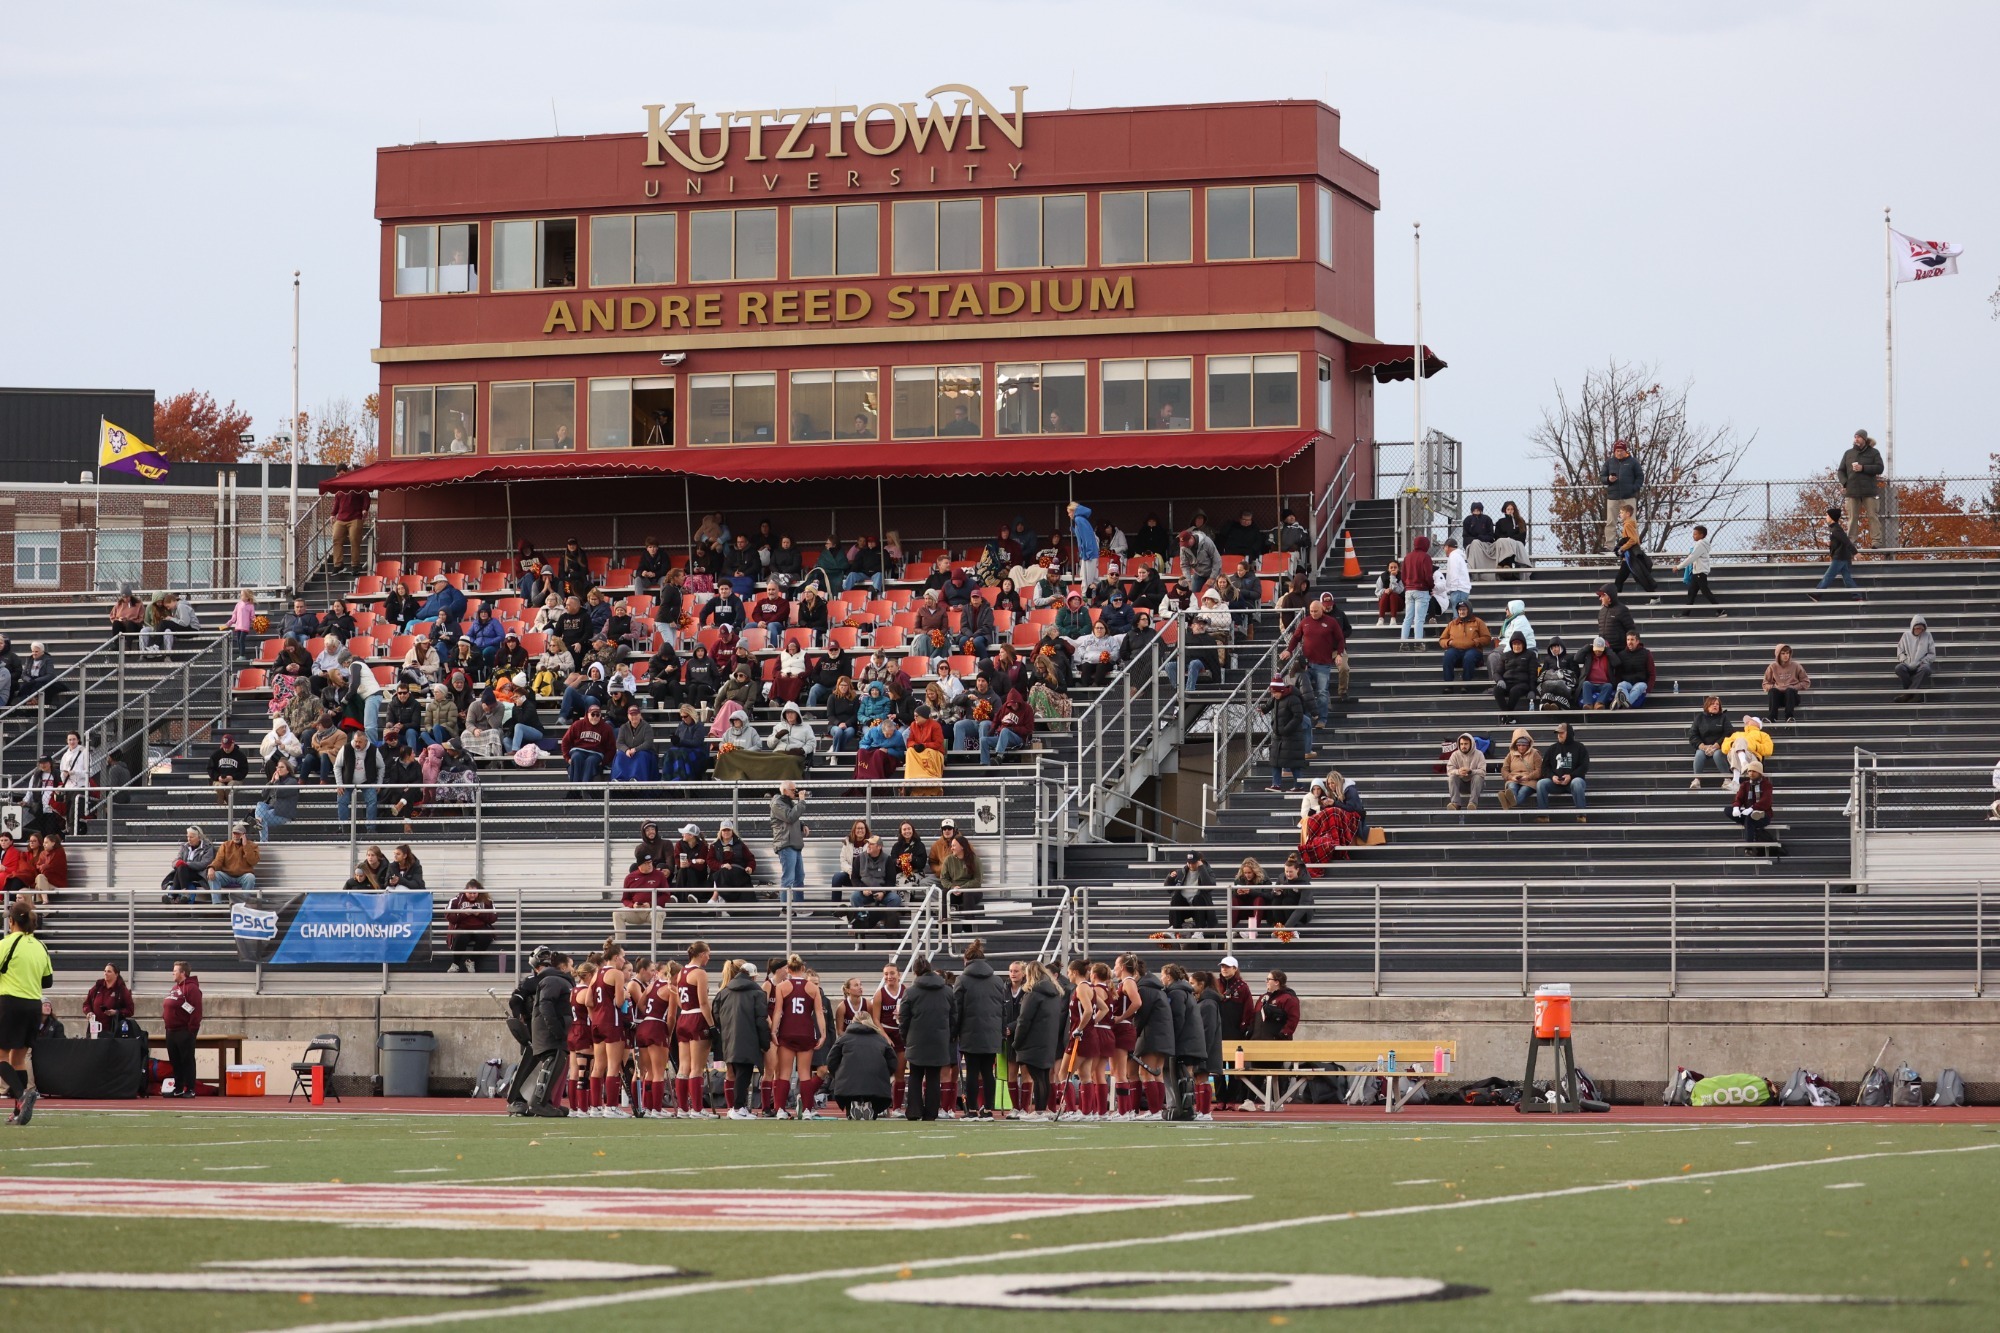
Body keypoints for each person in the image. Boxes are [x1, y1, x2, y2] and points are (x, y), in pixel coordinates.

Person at [1, 901, 52, 1123]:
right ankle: (17, 1110)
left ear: (11, 921)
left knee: (1, 1055)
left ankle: (22, 1095)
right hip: (34, 1005)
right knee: (18, 1059)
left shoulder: (6, 944)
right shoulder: (40, 946)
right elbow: (48, 981)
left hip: (10, 1003)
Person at [950, 940, 1007, 1119]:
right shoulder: (997, 980)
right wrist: (1001, 1030)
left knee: (973, 1071)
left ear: (967, 960)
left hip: (970, 1032)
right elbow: (1003, 1009)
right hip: (992, 1032)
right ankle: (988, 1109)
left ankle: (973, 1109)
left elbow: (956, 1010)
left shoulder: (962, 980)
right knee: (988, 1072)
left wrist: (954, 1033)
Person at [766, 954, 825, 1119]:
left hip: (787, 1031)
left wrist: (773, 1031)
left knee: (783, 1072)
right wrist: (823, 1034)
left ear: (789, 969)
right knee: (805, 1073)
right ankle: (807, 1110)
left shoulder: (782, 987)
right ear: (803, 969)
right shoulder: (813, 988)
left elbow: (777, 1012)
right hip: (806, 1032)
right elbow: (819, 1013)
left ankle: (780, 1110)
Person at [896, 954, 953, 1122]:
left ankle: (914, 1110)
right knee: (934, 1077)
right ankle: (931, 1113)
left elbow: (904, 1019)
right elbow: (953, 1016)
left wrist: (906, 1037)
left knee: (915, 1075)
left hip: (916, 1039)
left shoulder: (911, 992)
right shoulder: (947, 991)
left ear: (915, 972)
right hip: (939, 1039)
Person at [1011, 961, 1065, 1118]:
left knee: (1037, 1076)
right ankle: (1042, 1109)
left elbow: (1024, 1020)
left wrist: (1017, 1042)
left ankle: (1039, 1110)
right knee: (1043, 1076)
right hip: (1048, 1039)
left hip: (1033, 1041)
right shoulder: (1055, 993)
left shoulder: (1033, 994)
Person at [826, 1010, 896, 1120]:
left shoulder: (843, 1039)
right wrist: (885, 1075)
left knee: (849, 1089)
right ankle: (871, 1106)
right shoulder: (881, 1039)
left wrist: (838, 1075)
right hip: (876, 1084)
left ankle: (852, 1106)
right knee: (875, 1093)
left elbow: (831, 1060)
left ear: (853, 1022)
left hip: (847, 1084)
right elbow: (893, 1062)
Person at [673, 941, 716, 1118]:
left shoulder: (682, 971)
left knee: (683, 1066)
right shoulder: (699, 973)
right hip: (697, 1017)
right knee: (697, 1067)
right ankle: (697, 1109)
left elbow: (680, 1001)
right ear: (700, 954)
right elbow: (704, 1002)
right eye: (707, 953)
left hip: (683, 1017)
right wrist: (712, 1025)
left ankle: (683, 1108)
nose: (709, 957)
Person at [161, 959, 203, 1097]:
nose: (172, 973)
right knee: (175, 1060)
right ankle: (178, 1088)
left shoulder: (192, 989)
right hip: (171, 1030)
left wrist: (191, 1029)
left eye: (175, 971)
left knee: (187, 1060)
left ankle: (190, 1088)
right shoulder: (175, 988)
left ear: (183, 973)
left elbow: (196, 1010)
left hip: (184, 1031)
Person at [1839, 428, 1885, 546]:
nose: (1856, 439)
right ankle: (1851, 542)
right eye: (1855, 437)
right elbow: (1841, 471)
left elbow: (1880, 468)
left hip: (1869, 491)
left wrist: (1863, 468)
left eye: (1858, 437)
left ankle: (1876, 541)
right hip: (1852, 491)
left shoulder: (1874, 453)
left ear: (1864, 439)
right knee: (1852, 518)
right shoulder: (1848, 453)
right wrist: (1845, 483)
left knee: (1872, 516)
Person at [1259, 678, 1306, 793]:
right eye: (1272, 693)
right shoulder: (1276, 698)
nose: (1274, 695)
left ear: (1281, 690)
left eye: (1275, 692)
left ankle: (1299, 786)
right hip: (1278, 735)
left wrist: (1286, 729)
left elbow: (1298, 716)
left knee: (1294, 762)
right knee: (1275, 760)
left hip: (1292, 736)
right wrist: (1264, 709)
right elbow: (1270, 703)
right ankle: (1276, 784)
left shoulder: (1293, 699)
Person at [1728, 757, 1781, 859]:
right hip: (1748, 812)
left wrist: (1752, 808)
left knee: (1750, 818)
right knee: (1728, 810)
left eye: (1754, 771)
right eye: (1749, 771)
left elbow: (1766, 801)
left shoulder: (1766, 785)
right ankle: (1749, 820)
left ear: (1760, 773)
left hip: (1763, 814)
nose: (1751, 773)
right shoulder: (1745, 785)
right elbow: (1738, 798)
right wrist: (1736, 807)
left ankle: (1749, 848)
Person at [1536, 720, 1589, 820]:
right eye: (1558, 733)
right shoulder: (1552, 749)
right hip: (1556, 783)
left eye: (1562, 733)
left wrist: (1571, 776)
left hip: (1573, 781)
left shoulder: (1580, 747)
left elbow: (1584, 766)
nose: (1559, 735)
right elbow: (1544, 767)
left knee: (1577, 782)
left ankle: (1581, 816)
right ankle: (1543, 816)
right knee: (1541, 784)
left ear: (1568, 733)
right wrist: (1552, 776)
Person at [769, 782, 808, 908]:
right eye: (793, 790)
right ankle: (785, 910)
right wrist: (801, 802)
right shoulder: (777, 803)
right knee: (788, 879)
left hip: (794, 844)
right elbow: (790, 817)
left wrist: (802, 825)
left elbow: (793, 817)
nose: (795, 792)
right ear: (785, 791)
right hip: (786, 844)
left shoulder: (787, 802)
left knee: (799, 877)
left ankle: (799, 907)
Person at [1162, 852, 1218, 940]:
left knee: (1198, 898)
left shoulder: (1206, 871)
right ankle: (1174, 929)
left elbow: (1209, 886)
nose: (1191, 865)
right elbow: (1169, 889)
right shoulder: (1182, 872)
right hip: (1185, 907)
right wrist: (1170, 878)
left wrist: (1201, 868)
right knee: (1176, 897)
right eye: (1189, 862)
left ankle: (1199, 931)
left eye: (1193, 862)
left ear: (1199, 861)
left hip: (1200, 907)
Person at [1600, 437, 1644, 551]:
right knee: (1611, 522)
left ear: (1625, 451)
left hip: (1628, 497)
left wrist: (1633, 488)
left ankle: (1632, 545)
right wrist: (1609, 479)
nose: (1619, 453)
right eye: (1617, 451)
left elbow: (1640, 476)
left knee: (1630, 522)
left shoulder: (1633, 462)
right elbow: (1602, 477)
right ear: (1614, 451)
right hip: (1613, 497)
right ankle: (1609, 546)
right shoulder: (1609, 462)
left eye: (1621, 451)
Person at [1810, 508, 1862, 601]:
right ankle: (1857, 595)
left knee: (1828, 576)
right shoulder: (1835, 529)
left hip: (1840, 557)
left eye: (1827, 515)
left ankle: (1817, 593)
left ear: (1831, 517)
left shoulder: (1836, 529)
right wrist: (1831, 544)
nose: (1826, 517)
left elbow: (1846, 541)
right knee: (1847, 578)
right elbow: (1840, 542)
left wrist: (1855, 552)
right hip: (1844, 557)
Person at [445, 880, 496, 973]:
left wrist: (480, 914)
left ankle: (471, 961)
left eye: (474, 893)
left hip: (480, 927)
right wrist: (463, 913)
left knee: (486, 937)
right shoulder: (456, 900)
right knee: (461, 937)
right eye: (470, 893)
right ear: (465, 891)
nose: (472, 895)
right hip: (463, 927)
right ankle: (455, 964)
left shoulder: (487, 901)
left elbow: (493, 917)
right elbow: (449, 916)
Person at [560, 704, 616, 785]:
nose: (595, 717)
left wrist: (603, 762)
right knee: (576, 757)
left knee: (591, 760)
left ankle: (585, 788)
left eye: (597, 715)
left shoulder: (606, 728)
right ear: (587, 714)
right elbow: (565, 741)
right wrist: (567, 758)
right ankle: (575, 790)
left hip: (596, 753)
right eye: (593, 714)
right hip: (579, 750)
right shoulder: (577, 724)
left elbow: (612, 748)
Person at [1676, 524, 1723, 615]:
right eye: (1693, 534)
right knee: (1691, 593)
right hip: (1697, 572)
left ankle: (1721, 610)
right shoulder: (1702, 544)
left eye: (1695, 534)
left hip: (1699, 573)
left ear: (1701, 535)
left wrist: (1678, 567)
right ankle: (1685, 613)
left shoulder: (1700, 544)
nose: (1693, 536)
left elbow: (1691, 557)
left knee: (1706, 592)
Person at [1612, 503, 1657, 595]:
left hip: (1630, 557)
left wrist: (1622, 548)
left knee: (1624, 578)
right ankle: (1654, 596)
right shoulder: (1630, 524)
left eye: (1621, 512)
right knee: (1624, 578)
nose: (1620, 514)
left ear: (1627, 514)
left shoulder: (1628, 525)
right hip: (1628, 557)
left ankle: (1654, 597)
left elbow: (1633, 540)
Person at [1438, 602, 1490, 682]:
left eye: (1464, 609)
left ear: (1469, 610)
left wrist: (1475, 642)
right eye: (1459, 610)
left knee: (1469, 656)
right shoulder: (1452, 624)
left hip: (1473, 650)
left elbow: (1487, 638)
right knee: (1448, 656)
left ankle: (1466, 683)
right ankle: (1448, 684)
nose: (1461, 612)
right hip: (1456, 650)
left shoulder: (1478, 622)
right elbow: (1442, 640)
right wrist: (1449, 642)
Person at [162, 827, 216, 904]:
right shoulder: (184, 846)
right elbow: (175, 861)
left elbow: (205, 863)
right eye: (187, 836)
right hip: (183, 872)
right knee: (181, 867)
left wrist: (187, 864)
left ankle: (172, 896)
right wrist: (178, 863)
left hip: (198, 873)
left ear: (199, 837)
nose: (189, 839)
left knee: (182, 867)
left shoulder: (207, 847)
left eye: (191, 837)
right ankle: (184, 893)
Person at [1722, 715, 1774, 794]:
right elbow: (1724, 747)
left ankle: (1736, 781)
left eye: (1750, 720)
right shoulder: (1737, 734)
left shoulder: (1763, 735)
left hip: (1752, 757)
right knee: (1735, 747)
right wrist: (1733, 743)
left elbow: (1768, 750)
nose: (1747, 722)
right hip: (1735, 755)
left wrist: (1755, 746)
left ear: (1757, 723)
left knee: (1736, 747)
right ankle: (1743, 764)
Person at [1398, 535, 1434, 648]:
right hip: (1421, 590)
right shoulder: (1426, 557)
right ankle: (1418, 642)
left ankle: (1403, 643)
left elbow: (1403, 576)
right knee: (1419, 619)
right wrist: (1431, 586)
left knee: (1408, 617)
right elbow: (1428, 575)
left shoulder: (1407, 557)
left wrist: (1408, 585)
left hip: (1409, 590)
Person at [1687, 694, 1730, 789]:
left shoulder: (1723, 718)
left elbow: (1729, 733)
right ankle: (1697, 780)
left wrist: (1717, 745)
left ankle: (1727, 779)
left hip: (1719, 747)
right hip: (1704, 747)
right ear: (1707, 706)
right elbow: (1692, 735)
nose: (1715, 706)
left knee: (1717, 754)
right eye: (1712, 704)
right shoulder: (1699, 718)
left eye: (1717, 704)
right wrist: (1702, 746)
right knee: (1699, 754)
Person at [208, 822, 260, 901]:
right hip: (227, 876)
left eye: (238, 834)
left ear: (244, 835)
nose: (235, 836)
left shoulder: (252, 845)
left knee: (250, 877)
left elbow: (253, 861)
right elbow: (218, 860)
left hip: (243, 876)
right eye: (234, 833)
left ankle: (243, 904)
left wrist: (245, 846)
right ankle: (216, 905)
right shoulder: (226, 845)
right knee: (214, 875)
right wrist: (212, 868)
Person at [329, 478, 370, 574]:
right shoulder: (339, 489)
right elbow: (337, 503)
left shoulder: (356, 486)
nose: (339, 476)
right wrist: (332, 514)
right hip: (341, 519)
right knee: (336, 538)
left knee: (354, 539)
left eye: (342, 473)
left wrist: (365, 509)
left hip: (355, 517)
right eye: (338, 474)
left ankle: (355, 565)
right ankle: (338, 565)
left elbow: (366, 496)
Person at [1493, 631, 1537, 718]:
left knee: (1515, 691)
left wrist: (1532, 690)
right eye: (1514, 644)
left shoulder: (1530, 655)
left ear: (1523, 644)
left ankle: (1507, 716)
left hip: (1522, 684)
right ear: (1511, 645)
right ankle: (1508, 716)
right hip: (1507, 683)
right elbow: (1497, 672)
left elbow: (1533, 673)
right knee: (1496, 690)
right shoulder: (1505, 655)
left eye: (1519, 644)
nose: (1516, 646)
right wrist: (1499, 680)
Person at [1762, 644, 1811, 723]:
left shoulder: (1796, 666)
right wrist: (1775, 686)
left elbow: (1806, 682)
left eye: (1787, 653)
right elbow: (1765, 684)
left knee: (1789, 690)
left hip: (1792, 697)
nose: (1786, 655)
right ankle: (1772, 717)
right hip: (1778, 698)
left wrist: (1794, 687)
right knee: (1773, 691)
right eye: (1783, 653)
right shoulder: (1772, 667)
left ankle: (1789, 717)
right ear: (1778, 655)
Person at [84, 962, 134, 1036]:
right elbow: (86, 1004)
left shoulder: (122, 990)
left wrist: (116, 1012)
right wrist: (88, 1012)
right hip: (94, 1030)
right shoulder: (98, 986)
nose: (105, 973)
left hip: (113, 1031)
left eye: (109, 971)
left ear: (116, 974)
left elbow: (130, 1010)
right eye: (105, 971)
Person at [1894, 615, 1937, 702]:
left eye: (1921, 629)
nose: (1919, 631)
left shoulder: (1928, 635)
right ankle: (1914, 695)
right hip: (1907, 663)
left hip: (1921, 664)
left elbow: (1932, 654)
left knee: (1926, 669)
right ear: (1913, 628)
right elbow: (1900, 651)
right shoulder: (1906, 635)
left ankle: (1907, 695)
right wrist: (1905, 661)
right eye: (1917, 628)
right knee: (1899, 668)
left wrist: (1923, 661)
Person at [1497, 728, 1542, 810]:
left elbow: (1539, 770)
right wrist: (1511, 777)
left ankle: (1507, 804)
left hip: (1529, 781)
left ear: (1528, 745)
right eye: (1519, 745)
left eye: (1523, 745)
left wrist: (1528, 777)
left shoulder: (1535, 753)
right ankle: (1510, 801)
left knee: (1523, 791)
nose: (1521, 747)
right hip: (1514, 779)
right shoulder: (1510, 755)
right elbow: (1504, 770)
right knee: (1512, 787)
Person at [1252, 969, 1301, 1041]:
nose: (1266, 982)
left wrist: (1283, 1034)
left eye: (1269, 979)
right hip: (1257, 1041)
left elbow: (1293, 1019)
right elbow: (1254, 1018)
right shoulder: (1262, 998)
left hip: (1276, 1042)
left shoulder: (1288, 998)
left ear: (1276, 982)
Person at [1535, 637, 1580, 712]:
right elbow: (1543, 672)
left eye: (1556, 647)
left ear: (1561, 647)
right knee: (1547, 685)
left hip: (1565, 682)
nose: (1555, 649)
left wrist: (1563, 674)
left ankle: (1558, 704)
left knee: (1560, 685)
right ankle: (1546, 704)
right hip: (1550, 681)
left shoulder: (1569, 657)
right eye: (1553, 647)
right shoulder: (1547, 659)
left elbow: (1575, 672)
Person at [1613, 630, 1655, 710]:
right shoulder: (1621, 655)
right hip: (1627, 683)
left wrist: (1648, 689)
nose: (1629, 642)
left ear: (1637, 641)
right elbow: (1618, 674)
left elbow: (1652, 673)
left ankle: (1620, 703)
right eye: (1628, 640)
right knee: (1621, 685)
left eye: (1632, 639)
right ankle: (1626, 703)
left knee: (1638, 687)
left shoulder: (1646, 653)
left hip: (1640, 683)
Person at [1445, 731, 1485, 811]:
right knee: (1452, 777)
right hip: (1461, 784)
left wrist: (1471, 771)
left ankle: (1472, 804)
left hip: (1475, 785)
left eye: (1466, 744)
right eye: (1461, 744)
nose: (1463, 746)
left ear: (1471, 744)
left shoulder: (1479, 754)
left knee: (1478, 777)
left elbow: (1483, 772)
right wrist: (1458, 772)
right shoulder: (1455, 755)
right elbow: (1449, 770)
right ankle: (1455, 804)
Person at [1067, 500, 1099, 586]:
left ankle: (1088, 597)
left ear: (1073, 511)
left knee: (1087, 579)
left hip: (1089, 554)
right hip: (1088, 553)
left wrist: (1088, 552)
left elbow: (1087, 537)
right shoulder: (1081, 519)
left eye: (1069, 512)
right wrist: (1074, 530)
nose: (1068, 514)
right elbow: (1082, 534)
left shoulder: (1079, 520)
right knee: (1089, 578)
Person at [1439, 537, 1472, 613]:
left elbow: (1454, 574)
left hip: (1458, 590)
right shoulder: (1459, 556)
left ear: (1447, 547)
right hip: (1462, 590)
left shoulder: (1453, 556)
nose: (1444, 550)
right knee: (1462, 616)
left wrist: (1452, 589)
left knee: (1457, 617)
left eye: (1444, 548)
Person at [1373, 559, 1404, 627]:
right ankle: (1381, 618)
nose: (1393, 569)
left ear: (1398, 568)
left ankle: (1393, 618)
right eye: (1391, 567)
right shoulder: (1382, 576)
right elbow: (1377, 591)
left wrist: (1393, 577)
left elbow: (1400, 591)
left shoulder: (1401, 577)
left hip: (1398, 604)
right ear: (1388, 568)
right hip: (1385, 604)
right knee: (1386, 593)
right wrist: (1385, 590)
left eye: (1395, 567)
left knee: (1393, 594)